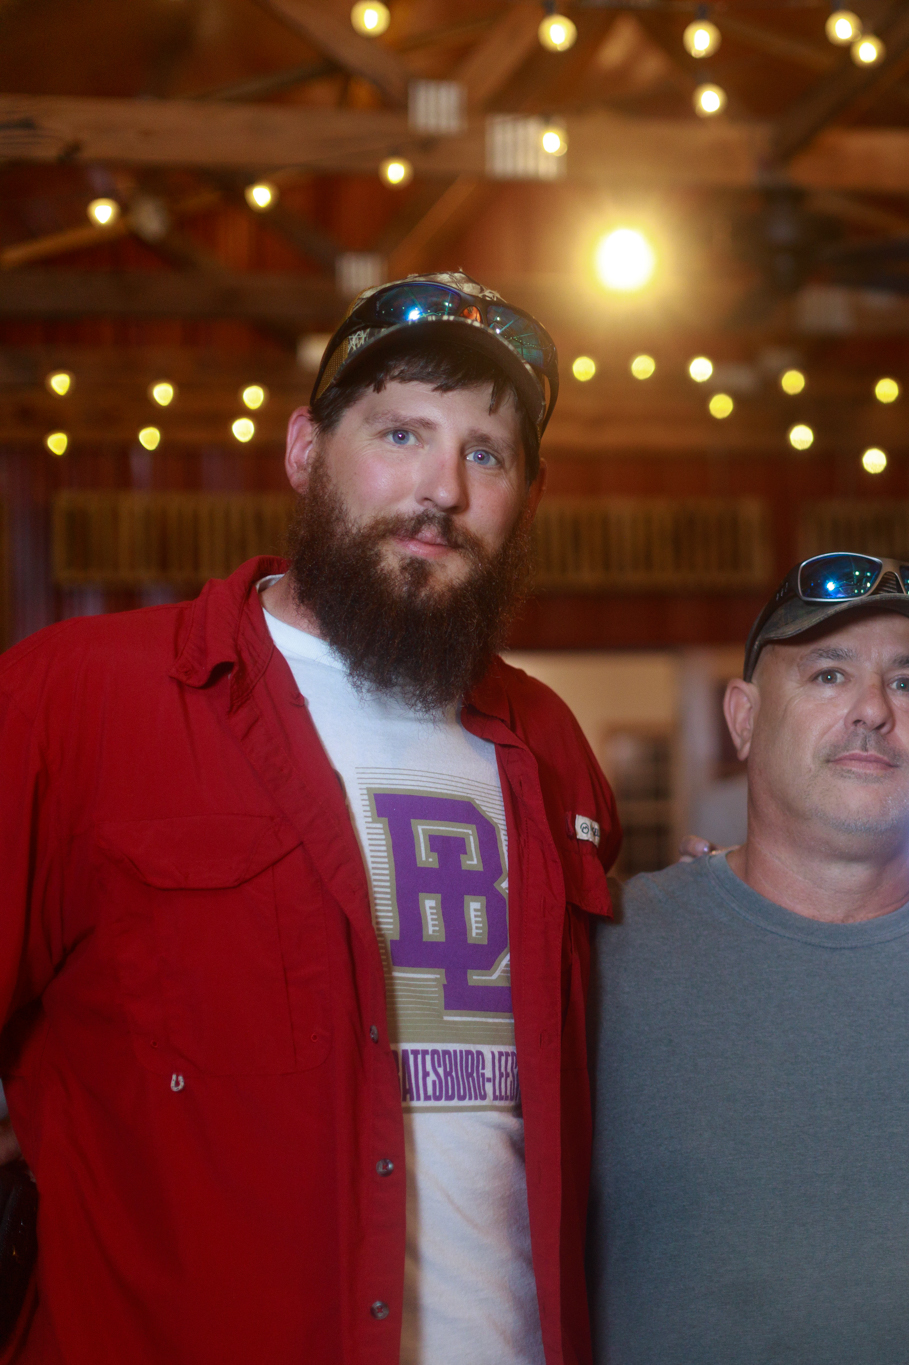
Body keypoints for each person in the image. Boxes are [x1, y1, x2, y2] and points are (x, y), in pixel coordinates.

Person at [0, 272, 621, 1365]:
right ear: (303, 450)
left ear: (527, 497)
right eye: (400, 433)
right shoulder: (75, 700)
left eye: (486, 454)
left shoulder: (551, 745)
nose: (441, 489)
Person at [586, 554, 909, 1365]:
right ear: (743, 718)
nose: (872, 710)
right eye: (828, 674)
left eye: (908, 684)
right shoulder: (605, 954)